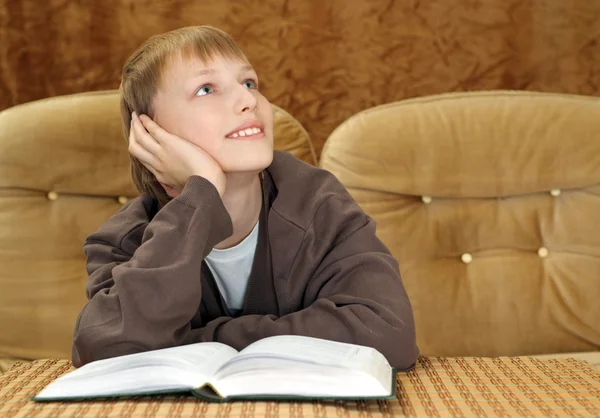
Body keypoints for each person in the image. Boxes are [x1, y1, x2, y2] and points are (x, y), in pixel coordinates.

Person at [71, 26, 419, 370]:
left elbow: (388, 334)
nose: (248, 100)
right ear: (150, 134)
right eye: (206, 89)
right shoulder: (124, 239)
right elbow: (104, 347)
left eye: (249, 83)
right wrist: (201, 192)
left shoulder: (318, 203)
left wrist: (196, 342)